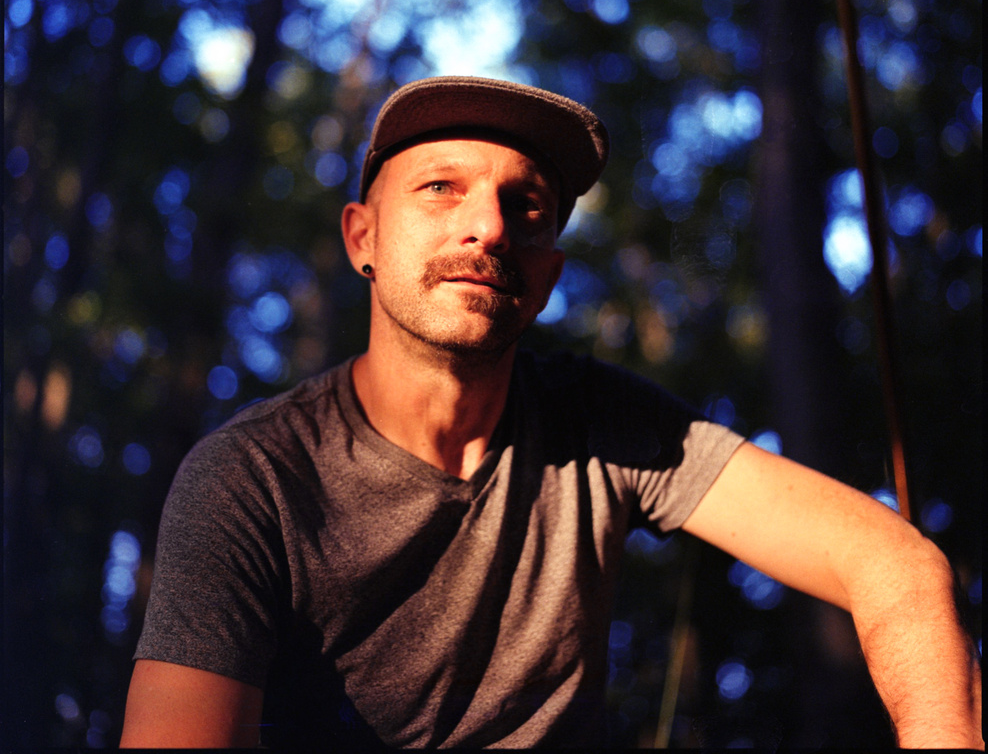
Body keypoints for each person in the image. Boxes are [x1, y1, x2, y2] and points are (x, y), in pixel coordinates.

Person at [120, 76, 982, 749]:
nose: (489, 229)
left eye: (525, 205)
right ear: (362, 239)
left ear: (549, 277)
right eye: (441, 188)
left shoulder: (601, 424)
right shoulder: (252, 479)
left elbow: (893, 562)